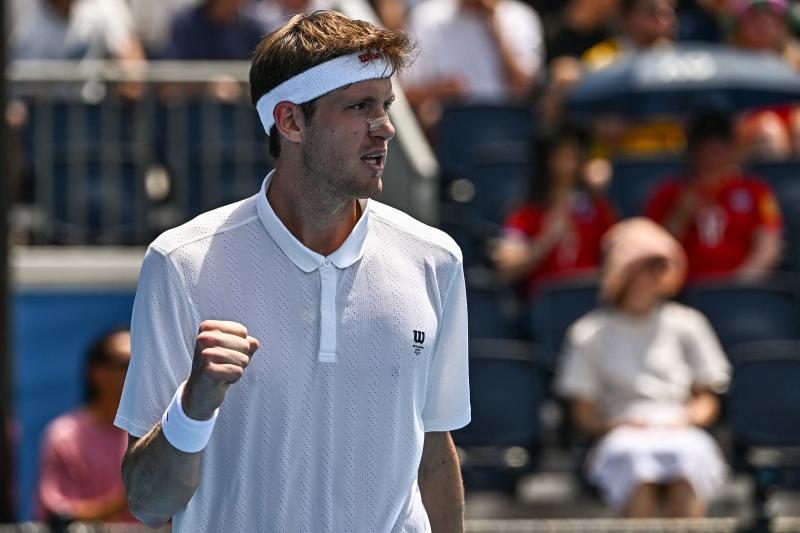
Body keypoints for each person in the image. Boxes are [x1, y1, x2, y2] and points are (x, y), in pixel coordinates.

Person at [116, 11, 470, 532]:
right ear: (290, 122)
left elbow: (435, 455)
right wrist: (192, 408)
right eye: (359, 106)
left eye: (386, 104)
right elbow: (149, 503)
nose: (386, 126)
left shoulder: (436, 259)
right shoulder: (180, 262)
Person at [556, 217, 731, 518]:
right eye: (640, 267)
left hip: (679, 427)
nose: (648, 278)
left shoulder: (689, 324)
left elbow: (707, 396)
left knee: (688, 461)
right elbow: (583, 410)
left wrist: (686, 419)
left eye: (656, 267)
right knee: (637, 467)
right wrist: (614, 426)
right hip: (622, 431)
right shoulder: (587, 332)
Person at [646, 111, 783, 282]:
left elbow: (768, 245)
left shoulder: (755, 190)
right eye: (705, 151)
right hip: (684, 288)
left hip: (739, 287)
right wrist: (680, 214)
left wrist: (740, 282)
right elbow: (653, 249)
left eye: (718, 151)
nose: (711, 159)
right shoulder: (670, 191)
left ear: (732, 150)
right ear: (693, 153)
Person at [492, 124, 616, 297]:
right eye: (563, 155)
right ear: (548, 160)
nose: (571, 163)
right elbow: (506, 269)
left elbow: (615, 258)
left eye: (576, 155)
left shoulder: (598, 210)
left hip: (592, 304)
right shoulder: (525, 214)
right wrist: (547, 238)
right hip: (546, 310)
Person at [35, 328, 135, 524]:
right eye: (125, 364)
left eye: (140, 363)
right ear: (96, 371)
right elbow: (57, 517)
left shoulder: (156, 431)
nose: (135, 371)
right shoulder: (64, 435)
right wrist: (128, 501)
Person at [401, 0, 544, 132]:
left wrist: (493, 22)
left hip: (506, 127)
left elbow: (524, 87)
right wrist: (439, 90)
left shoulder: (520, 16)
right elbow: (404, 92)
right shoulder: (427, 16)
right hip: (449, 128)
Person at [10, 0, 145, 62]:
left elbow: (132, 62)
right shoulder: (25, 22)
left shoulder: (105, 6)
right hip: (45, 112)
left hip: (94, 110)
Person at [162, 0, 266, 60]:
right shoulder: (186, 22)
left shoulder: (251, 27)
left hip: (241, 96)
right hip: (195, 96)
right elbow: (176, 71)